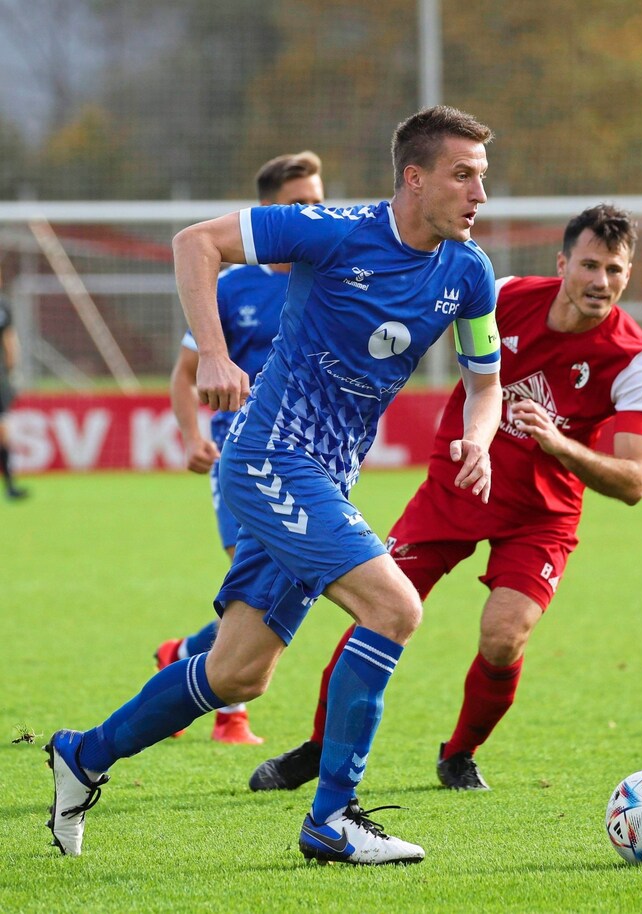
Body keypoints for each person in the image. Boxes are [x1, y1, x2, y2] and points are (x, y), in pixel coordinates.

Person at [44, 105, 502, 865]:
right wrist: (217, 357)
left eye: (482, 177)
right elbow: (197, 243)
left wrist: (478, 442)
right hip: (269, 457)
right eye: (463, 175)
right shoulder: (333, 229)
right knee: (394, 607)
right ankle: (334, 816)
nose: (479, 194)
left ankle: (81, 756)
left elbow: (485, 383)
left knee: (237, 672)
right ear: (414, 180)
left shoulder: (469, 271)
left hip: (329, 476)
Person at [248, 203, 642, 793]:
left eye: (615, 271)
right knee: (378, 607)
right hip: (456, 485)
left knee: (503, 636)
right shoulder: (504, 293)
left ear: (627, 274)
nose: (601, 282)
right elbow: (427, 324)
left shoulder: (633, 358)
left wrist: (558, 442)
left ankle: (460, 754)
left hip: (540, 516)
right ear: (563, 261)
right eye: (590, 265)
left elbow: (635, 481)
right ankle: (319, 748)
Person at [160, 151, 325, 745]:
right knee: (248, 580)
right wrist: (190, 435)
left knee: (279, 582)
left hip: (307, 460)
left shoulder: (331, 274)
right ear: (265, 212)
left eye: (316, 201)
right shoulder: (232, 283)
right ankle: (231, 714)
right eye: (296, 205)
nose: (310, 213)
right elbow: (184, 373)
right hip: (240, 454)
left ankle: (181, 655)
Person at [0, 267, 28, 501]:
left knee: (2, 430)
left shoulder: (3, 306)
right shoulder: (3, 306)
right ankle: (9, 485)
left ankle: (9, 485)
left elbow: (10, 345)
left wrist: (10, 372)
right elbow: (10, 344)